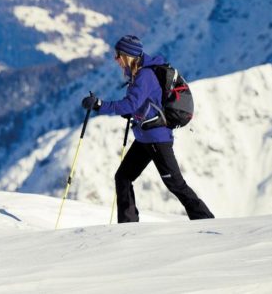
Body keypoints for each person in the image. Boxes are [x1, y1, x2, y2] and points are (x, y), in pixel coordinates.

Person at [82, 35, 214, 222]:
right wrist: (134, 113)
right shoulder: (139, 74)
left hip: (156, 140)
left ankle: (205, 219)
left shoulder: (144, 75)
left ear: (127, 55)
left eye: (118, 55)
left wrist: (99, 105)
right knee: (123, 177)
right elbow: (144, 103)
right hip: (145, 138)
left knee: (175, 184)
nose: (115, 59)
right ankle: (128, 225)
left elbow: (130, 104)